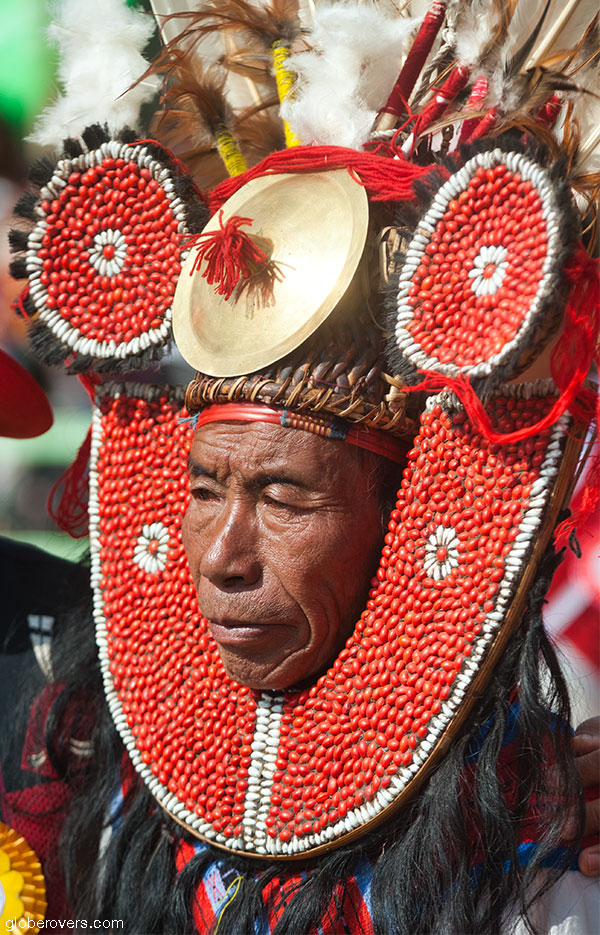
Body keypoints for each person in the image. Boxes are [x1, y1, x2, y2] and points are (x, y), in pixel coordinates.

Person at [3, 1, 599, 933]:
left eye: (285, 495)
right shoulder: (88, 754)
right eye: (203, 490)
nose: (222, 557)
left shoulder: (531, 830)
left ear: (400, 519)